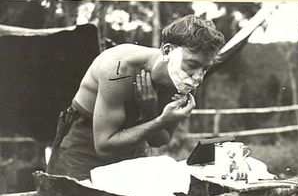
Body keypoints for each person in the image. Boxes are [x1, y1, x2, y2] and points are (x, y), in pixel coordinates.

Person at [46, 15, 225, 181]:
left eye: (205, 68)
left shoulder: (184, 79)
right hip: (84, 141)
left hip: (134, 142)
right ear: (168, 50)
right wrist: (161, 119)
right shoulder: (118, 68)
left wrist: (150, 113)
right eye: (192, 64)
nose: (199, 77)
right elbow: (103, 145)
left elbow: (159, 141)